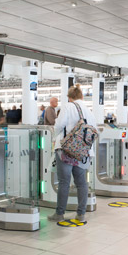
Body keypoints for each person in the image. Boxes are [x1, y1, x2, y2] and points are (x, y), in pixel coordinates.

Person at [48, 84, 97, 222]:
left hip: (66, 151)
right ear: (81, 96)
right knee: (81, 183)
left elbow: (58, 126)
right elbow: (94, 131)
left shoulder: (68, 107)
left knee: (64, 182)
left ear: (70, 98)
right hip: (84, 152)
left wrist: (54, 138)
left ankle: (59, 213)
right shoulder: (89, 111)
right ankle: (81, 214)